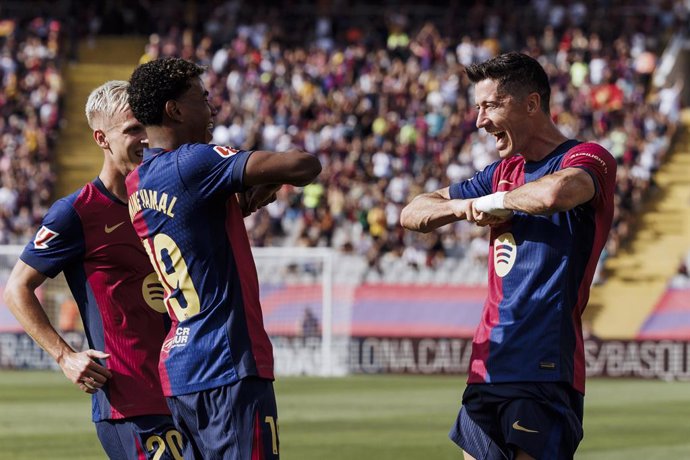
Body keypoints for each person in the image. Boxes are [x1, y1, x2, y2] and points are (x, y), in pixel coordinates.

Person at [400, 52, 617, 460]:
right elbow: (412, 212)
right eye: (477, 108)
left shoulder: (587, 158)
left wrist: (498, 202)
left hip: (544, 366)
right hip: (487, 363)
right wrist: (461, 207)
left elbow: (555, 194)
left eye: (490, 106)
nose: (480, 121)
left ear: (531, 104)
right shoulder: (499, 172)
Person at [125, 57, 322, 459]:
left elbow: (195, 225)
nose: (211, 107)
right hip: (227, 360)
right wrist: (262, 175)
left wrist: (240, 202)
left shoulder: (136, 181)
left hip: (179, 369)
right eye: (202, 97)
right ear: (174, 109)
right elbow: (304, 165)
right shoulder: (194, 160)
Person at [3, 81, 185, 459]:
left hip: (190, 390)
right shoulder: (77, 212)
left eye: (147, 126)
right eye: (133, 129)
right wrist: (64, 356)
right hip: (132, 401)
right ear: (101, 138)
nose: (145, 138)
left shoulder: (165, 202)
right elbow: (17, 288)